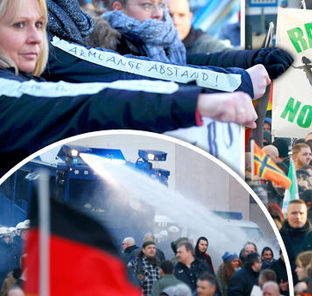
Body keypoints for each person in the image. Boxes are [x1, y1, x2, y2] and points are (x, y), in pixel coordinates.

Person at [0, 0, 259, 173]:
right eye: (19, 25)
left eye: (39, 25)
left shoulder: (71, 28)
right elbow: (90, 100)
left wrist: (238, 71)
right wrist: (203, 99)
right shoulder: (12, 87)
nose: (35, 37)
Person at [167, 0, 232, 55]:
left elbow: (229, 54)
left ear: (190, 17)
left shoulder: (206, 48)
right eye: (169, 15)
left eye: (181, 15)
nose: (176, 22)